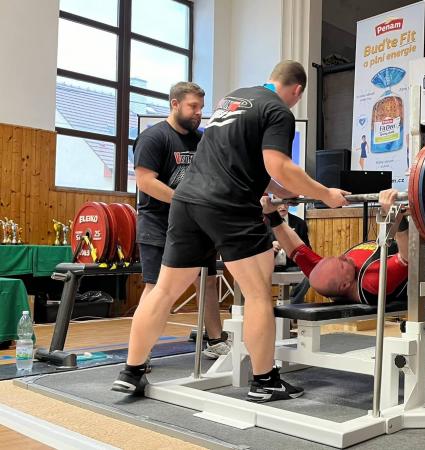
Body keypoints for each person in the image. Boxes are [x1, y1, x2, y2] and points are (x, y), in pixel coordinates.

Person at [113, 61, 350, 403]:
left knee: (163, 291)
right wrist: (325, 194)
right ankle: (264, 381)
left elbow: (247, 165)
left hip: (187, 202)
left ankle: (131, 371)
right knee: (257, 294)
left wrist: (285, 192)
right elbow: (279, 165)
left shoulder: (233, 100)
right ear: (297, 90)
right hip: (228, 205)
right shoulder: (278, 111)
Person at [262, 189, 425, 361]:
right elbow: (409, 257)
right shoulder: (371, 282)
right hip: (418, 271)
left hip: (400, 257)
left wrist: (271, 214)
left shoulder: (322, 273)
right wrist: (398, 218)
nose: (344, 257)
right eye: (342, 264)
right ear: (345, 284)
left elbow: (295, 247)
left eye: (339, 257)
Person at [133, 81, 228, 360]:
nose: (199, 112)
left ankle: (215, 341)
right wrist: (183, 200)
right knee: (155, 287)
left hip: (195, 225)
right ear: (175, 104)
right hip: (158, 224)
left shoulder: (202, 140)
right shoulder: (153, 138)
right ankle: (140, 353)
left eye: (201, 107)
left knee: (207, 281)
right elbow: (145, 181)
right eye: (193, 106)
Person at [268, 203, 311, 304]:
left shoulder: (299, 223)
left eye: (285, 203)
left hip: (291, 265)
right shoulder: (264, 222)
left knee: (309, 273)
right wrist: (270, 246)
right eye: (279, 203)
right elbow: (256, 247)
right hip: (269, 266)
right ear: (273, 203)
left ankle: (292, 303)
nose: (283, 206)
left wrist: (295, 246)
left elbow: (307, 249)